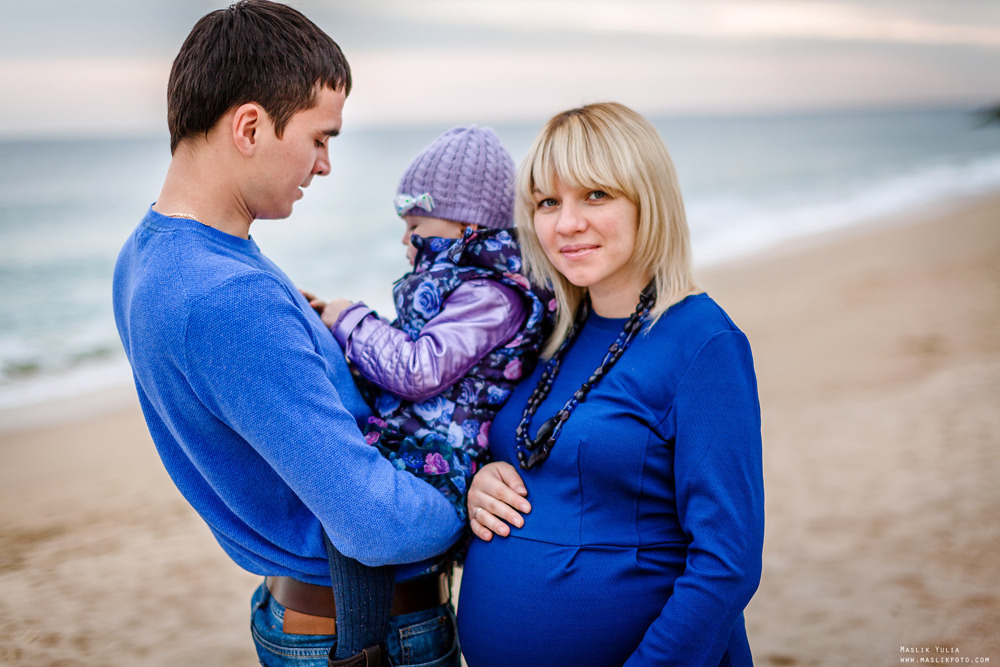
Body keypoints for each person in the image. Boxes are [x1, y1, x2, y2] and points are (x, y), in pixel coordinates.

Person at [111, 3, 465, 666]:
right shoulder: (225, 296)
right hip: (368, 631)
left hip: (308, 612)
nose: (325, 164)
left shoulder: (145, 253)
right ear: (249, 127)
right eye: (320, 138)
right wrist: (469, 495)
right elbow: (374, 523)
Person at [455, 102, 765, 666]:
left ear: (648, 200)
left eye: (595, 195)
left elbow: (727, 562)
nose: (566, 224)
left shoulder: (702, 341)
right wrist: (482, 483)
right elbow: (550, 459)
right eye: (548, 202)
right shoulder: (549, 332)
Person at [306, 126, 553, 662]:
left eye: (414, 225)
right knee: (345, 511)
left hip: (445, 456)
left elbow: (419, 369)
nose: (405, 240)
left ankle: (360, 650)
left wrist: (350, 318)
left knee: (356, 516)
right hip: (422, 441)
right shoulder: (464, 286)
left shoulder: (493, 296)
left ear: (466, 226)